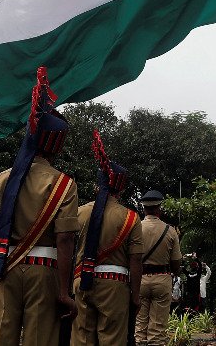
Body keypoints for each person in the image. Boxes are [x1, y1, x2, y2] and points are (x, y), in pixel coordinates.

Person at [0, 67, 80, 345]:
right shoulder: (64, 185)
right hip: (45, 271)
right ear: (56, 145)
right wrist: (64, 291)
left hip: (4, 267)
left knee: (0, 338)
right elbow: (65, 240)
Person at [73, 130, 143, 346]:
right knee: (112, 339)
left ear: (97, 186)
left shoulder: (79, 212)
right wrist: (135, 295)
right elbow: (136, 260)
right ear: (121, 188)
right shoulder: (131, 218)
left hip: (81, 281)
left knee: (82, 339)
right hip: (115, 285)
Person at [135, 189, 181, 345]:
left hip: (139, 279)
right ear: (159, 208)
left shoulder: (136, 228)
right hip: (162, 278)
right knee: (158, 329)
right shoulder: (170, 231)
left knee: (140, 326)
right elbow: (176, 263)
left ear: (144, 208)